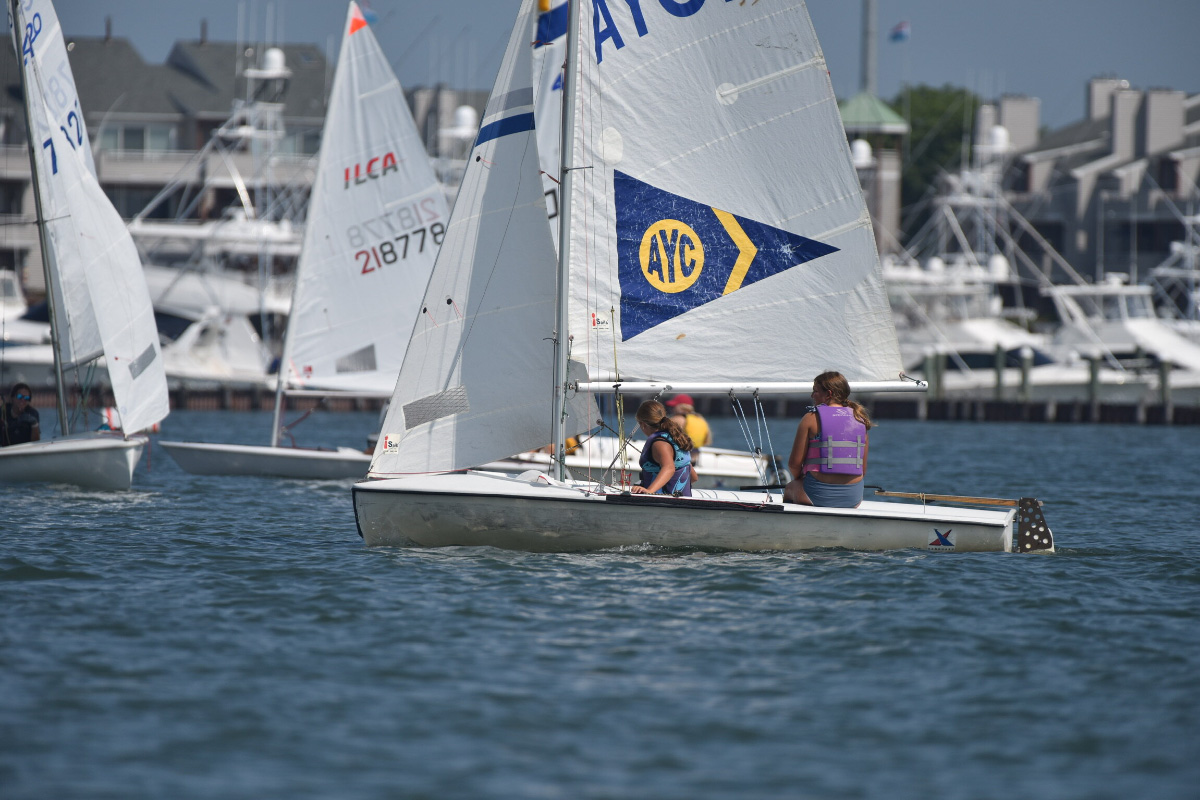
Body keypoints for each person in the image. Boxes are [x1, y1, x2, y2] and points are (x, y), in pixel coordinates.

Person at [782, 371, 872, 508]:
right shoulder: (860, 420)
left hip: (817, 494)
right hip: (853, 497)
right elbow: (863, 470)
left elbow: (794, 464)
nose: (812, 395)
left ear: (828, 394)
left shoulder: (810, 418)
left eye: (815, 391)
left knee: (790, 487)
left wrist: (800, 479)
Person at [631, 400, 697, 496]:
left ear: (643, 424)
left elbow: (669, 468)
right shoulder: (675, 438)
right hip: (681, 501)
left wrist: (649, 490)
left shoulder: (660, 443)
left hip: (662, 502)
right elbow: (694, 477)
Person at [665, 393, 712, 463]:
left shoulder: (677, 419)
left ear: (681, 407)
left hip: (679, 458)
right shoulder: (699, 418)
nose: (672, 409)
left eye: (673, 406)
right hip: (694, 456)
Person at [1, 383, 41, 447]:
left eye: (26, 398)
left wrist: (34, 424)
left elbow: (36, 443)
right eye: (19, 396)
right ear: (12, 398)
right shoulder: (3, 411)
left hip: (25, 449)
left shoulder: (32, 413)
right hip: (6, 450)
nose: (23, 400)